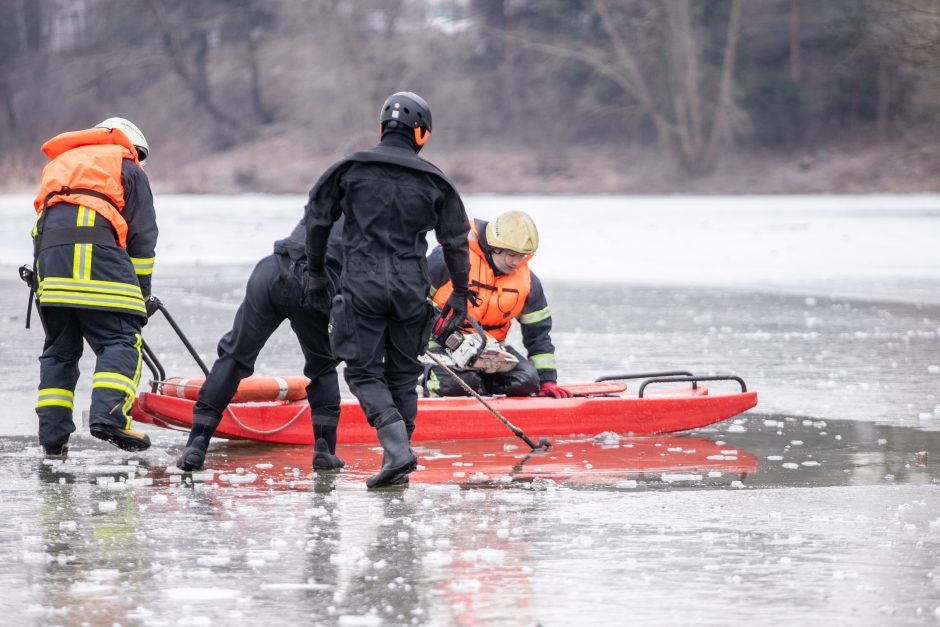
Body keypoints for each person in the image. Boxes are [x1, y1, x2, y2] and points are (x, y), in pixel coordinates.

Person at [304, 91, 470, 488]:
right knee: (402, 375)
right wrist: (461, 296)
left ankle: (396, 453)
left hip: (362, 285)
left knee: (362, 371)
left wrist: (314, 273)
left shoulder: (348, 169)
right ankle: (398, 460)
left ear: (382, 128)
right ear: (422, 135)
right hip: (412, 288)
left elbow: (317, 217)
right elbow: (457, 242)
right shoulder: (435, 180)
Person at [176, 217, 346, 472]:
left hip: (271, 269)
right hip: (314, 282)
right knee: (323, 365)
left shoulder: (332, 195)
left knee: (234, 357)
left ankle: (197, 443)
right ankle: (324, 450)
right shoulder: (377, 216)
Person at [31, 117, 157, 455]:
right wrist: (141, 292)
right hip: (97, 259)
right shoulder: (127, 168)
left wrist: (42, 279)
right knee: (119, 340)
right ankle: (110, 418)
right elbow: (142, 237)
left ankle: (52, 439)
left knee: (60, 350)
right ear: (128, 143)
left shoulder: (60, 165)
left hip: (50, 267)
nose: (137, 158)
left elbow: (44, 222)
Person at [424, 210, 572, 399]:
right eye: (511, 254)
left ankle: (478, 384)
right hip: (436, 343)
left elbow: (539, 335)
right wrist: (436, 326)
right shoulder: (447, 260)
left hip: (490, 353)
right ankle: (425, 381)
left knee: (527, 382)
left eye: (523, 256)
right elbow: (409, 301)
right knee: (455, 385)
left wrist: (547, 381)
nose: (516, 262)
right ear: (494, 247)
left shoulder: (528, 282)